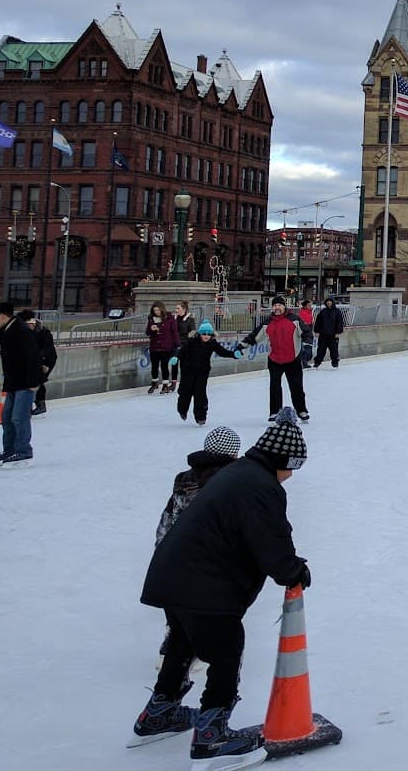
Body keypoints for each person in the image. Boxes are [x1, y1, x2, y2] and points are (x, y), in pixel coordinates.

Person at [131, 407, 310, 764]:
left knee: (183, 644)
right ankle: (212, 737)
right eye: (294, 466)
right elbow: (270, 540)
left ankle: (159, 712)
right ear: (283, 459)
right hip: (204, 584)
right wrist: (293, 571)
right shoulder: (260, 486)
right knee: (227, 650)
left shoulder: (240, 473)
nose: (292, 475)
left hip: (174, 576)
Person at [155, 425, 242, 545]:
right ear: (233, 453)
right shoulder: (232, 480)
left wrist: (162, 548)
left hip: (181, 546)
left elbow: (168, 517)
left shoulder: (184, 479)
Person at [241, 297, 312, 422]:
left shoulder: (294, 319)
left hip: (293, 359)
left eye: (279, 305)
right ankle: (274, 412)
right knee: (274, 387)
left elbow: (306, 332)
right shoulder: (267, 322)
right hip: (275, 360)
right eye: (275, 305)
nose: (277, 308)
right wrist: (241, 346)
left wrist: (308, 345)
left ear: (284, 306)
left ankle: (301, 410)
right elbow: (254, 336)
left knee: (296, 387)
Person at [0, 300, 40, 466]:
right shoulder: (7, 331)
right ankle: (10, 450)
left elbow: (32, 356)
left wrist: (34, 381)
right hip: (12, 382)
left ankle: (23, 452)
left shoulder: (21, 331)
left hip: (26, 382)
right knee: (7, 418)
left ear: (3, 316)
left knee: (19, 417)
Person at [172, 321, 242, 425]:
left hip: (202, 373)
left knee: (200, 394)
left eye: (209, 334)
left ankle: (200, 417)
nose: (206, 336)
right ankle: (182, 410)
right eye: (204, 333)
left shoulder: (212, 343)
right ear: (199, 333)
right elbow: (181, 351)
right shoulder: (191, 341)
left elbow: (222, 352)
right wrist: (176, 357)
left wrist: (234, 355)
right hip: (188, 371)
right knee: (185, 393)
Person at [22, 310, 56, 415]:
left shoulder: (44, 332)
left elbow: (49, 349)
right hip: (33, 360)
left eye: (28, 325)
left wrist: (43, 364)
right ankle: (27, 405)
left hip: (47, 360)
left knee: (39, 381)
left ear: (33, 324)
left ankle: (40, 404)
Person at [145, 301, 180, 396]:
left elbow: (174, 332)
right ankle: (154, 383)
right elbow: (147, 332)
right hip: (154, 347)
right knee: (154, 367)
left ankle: (165, 384)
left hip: (166, 347)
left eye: (158, 310)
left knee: (164, 366)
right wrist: (151, 329)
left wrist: (177, 345)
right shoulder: (151, 319)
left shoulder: (169, 318)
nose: (157, 312)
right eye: (155, 310)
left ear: (162, 309)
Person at [167, 301, 196, 396]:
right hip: (175, 344)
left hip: (185, 345)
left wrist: (190, 337)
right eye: (176, 308)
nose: (176, 310)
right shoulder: (173, 318)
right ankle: (173, 383)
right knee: (174, 363)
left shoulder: (190, 319)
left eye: (178, 308)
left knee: (184, 365)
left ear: (184, 309)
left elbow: (192, 331)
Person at [311, 297, 346, 368]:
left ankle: (335, 363)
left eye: (330, 301)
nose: (329, 303)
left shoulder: (337, 312)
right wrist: (317, 331)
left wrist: (338, 332)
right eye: (327, 301)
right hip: (323, 334)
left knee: (334, 350)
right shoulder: (323, 311)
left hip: (333, 335)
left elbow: (339, 322)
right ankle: (317, 362)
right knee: (321, 349)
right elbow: (318, 321)